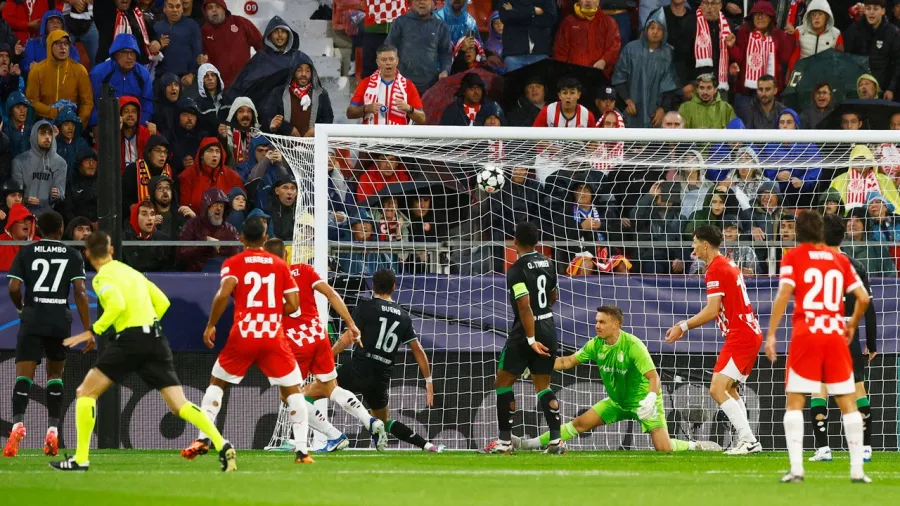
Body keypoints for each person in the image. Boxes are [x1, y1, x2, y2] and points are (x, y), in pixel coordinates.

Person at [49, 231, 234, 472]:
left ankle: (81, 458)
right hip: (155, 339)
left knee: (86, 392)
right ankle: (222, 443)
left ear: (87, 254)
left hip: (130, 340)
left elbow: (116, 304)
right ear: (111, 250)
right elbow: (163, 302)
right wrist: (148, 323)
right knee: (180, 405)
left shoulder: (102, 277)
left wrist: (93, 330)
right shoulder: (131, 272)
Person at [184, 217, 314, 464]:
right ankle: (302, 451)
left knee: (217, 382)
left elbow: (223, 294)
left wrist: (211, 325)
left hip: (243, 333)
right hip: (272, 335)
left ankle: (203, 438)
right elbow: (294, 305)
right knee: (293, 391)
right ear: (265, 240)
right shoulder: (279, 264)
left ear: (241, 238)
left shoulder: (234, 262)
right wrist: (273, 309)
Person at [515, 306, 721, 453]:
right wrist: (537, 364)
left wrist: (651, 398)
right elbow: (567, 362)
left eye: (602, 322)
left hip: (643, 402)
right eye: (596, 321)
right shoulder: (596, 344)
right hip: (617, 402)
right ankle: (529, 444)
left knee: (664, 449)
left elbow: (654, 378)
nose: (597, 325)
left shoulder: (633, 345)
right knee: (579, 423)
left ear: (615, 324)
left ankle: (696, 445)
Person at [764, 211, 871, 483]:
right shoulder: (840, 260)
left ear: (799, 233)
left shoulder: (794, 257)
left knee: (795, 402)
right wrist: (852, 324)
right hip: (835, 335)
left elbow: (783, 295)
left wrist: (772, 334)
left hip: (806, 335)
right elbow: (863, 299)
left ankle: (797, 469)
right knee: (848, 402)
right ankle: (858, 471)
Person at [258, 239, 388, 453]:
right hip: (319, 337)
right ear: (287, 255)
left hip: (295, 343)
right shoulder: (304, 271)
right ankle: (370, 421)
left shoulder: (267, 284)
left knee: (289, 396)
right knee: (330, 387)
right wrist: (350, 323)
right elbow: (331, 294)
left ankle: (332, 435)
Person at [665, 225, 763, 454]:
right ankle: (748, 440)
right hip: (747, 332)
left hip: (741, 335)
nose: (693, 248)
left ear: (705, 244)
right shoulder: (728, 263)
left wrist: (683, 326)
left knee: (717, 389)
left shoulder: (715, 269)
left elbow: (712, 310)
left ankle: (748, 441)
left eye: (695, 243)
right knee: (730, 389)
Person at [3, 211, 90, 458]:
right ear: (61, 229)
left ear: (38, 229)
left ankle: (18, 424)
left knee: (24, 376)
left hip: (33, 317)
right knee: (55, 374)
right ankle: (52, 429)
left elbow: (13, 287)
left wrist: (21, 307)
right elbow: (81, 293)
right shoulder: (72, 254)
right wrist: (86, 329)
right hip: (58, 321)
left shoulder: (27, 252)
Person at [330, 268, 444, 452]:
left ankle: (329, 436)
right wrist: (428, 380)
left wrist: (327, 356)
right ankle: (427, 445)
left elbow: (347, 338)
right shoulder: (404, 316)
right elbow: (418, 350)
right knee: (383, 421)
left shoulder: (366, 307)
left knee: (315, 390)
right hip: (380, 377)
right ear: (394, 287)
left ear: (373, 286)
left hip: (358, 367)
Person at [479, 221, 561, 454]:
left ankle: (505, 443)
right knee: (543, 385)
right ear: (536, 241)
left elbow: (524, 307)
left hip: (527, 330)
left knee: (503, 382)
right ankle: (556, 441)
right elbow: (553, 296)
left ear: (514, 241)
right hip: (548, 324)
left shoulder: (516, 269)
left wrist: (530, 338)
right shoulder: (549, 263)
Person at [806, 214, 879, 464]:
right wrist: (872, 342)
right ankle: (865, 448)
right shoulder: (855, 266)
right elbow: (867, 306)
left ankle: (823, 448)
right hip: (849, 336)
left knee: (819, 389)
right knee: (858, 389)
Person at [611, 10, 680, 128]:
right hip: (632, 111)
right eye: (652, 27)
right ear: (646, 29)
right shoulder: (631, 49)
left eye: (659, 29)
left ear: (664, 32)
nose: (655, 32)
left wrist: (663, 109)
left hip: (656, 114)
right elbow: (619, 77)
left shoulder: (669, 53)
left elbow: (671, 85)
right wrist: (626, 100)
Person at [224, 16, 305, 109]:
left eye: (283, 32)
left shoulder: (299, 57)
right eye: (275, 32)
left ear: (288, 34)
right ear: (269, 35)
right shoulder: (260, 58)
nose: (279, 35)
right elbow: (243, 83)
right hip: (264, 109)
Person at [24, 29, 92, 125]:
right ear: (50, 46)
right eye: (58, 43)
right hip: (43, 125)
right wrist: (54, 112)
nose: (63, 47)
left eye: (66, 43)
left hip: (71, 124)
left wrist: (78, 124)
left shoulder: (80, 70)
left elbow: (87, 103)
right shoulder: (37, 71)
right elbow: (32, 101)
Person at [347, 44, 426, 126]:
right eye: (384, 60)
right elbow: (350, 113)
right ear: (378, 62)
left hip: (399, 137)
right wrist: (366, 108)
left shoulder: (408, 85)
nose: (388, 63)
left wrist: (409, 109)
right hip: (371, 136)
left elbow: (422, 118)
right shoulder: (366, 83)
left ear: (397, 61)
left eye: (391, 59)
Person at [384, 0, 452, 93]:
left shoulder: (441, 26)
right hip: (402, 85)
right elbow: (388, 49)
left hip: (430, 86)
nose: (421, 2)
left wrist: (445, 71)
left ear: (433, 3)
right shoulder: (400, 22)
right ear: (410, 3)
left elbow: (446, 54)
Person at [88, 34, 154, 127]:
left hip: (134, 123)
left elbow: (147, 102)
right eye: (125, 52)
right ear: (115, 54)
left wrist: (141, 125)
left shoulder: (143, 74)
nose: (130, 57)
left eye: (133, 53)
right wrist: (96, 124)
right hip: (105, 123)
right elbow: (91, 102)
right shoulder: (98, 73)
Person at [260, 55, 333, 138]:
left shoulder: (321, 94)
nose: (304, 74)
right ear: (293, 72)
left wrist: (316, 129)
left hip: (312, 146)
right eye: (299, 70)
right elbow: (267, 118)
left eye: (308, 71)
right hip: (284, 146)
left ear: (312, 73)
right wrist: (288, 129)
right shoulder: (279, 93)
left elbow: (328, 118)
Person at [844, 0, 900, 102]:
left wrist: (891, 89)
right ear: (864, 10)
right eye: (868, 8)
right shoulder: (857, 29)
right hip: (859, 91)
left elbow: (898, 63)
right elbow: (848, 56)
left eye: (875, 9)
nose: (871, 12)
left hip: (883, 92)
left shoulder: (893, 33)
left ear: (883, 11)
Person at [199, 0, 263, 89]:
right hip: (221, 87)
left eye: (218, 7)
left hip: (246, 83)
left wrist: (257, 70)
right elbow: (203, 60)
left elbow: (261, 46)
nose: (214, 10)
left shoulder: (240, 22)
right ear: (205, 12)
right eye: (210, 8)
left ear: (224, 9)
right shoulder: (203, 32)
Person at [12, 121, 68, 216]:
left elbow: (61, 192)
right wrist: (25, 199)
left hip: (48, 214)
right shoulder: (19, 161)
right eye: (42, 133)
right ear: (34, 135)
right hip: (24, 212)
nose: (47, 137)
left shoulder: (61, 163)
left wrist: (57, 194)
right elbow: (15, 192)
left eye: (50, 133)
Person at [177, 187, 240, 272]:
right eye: (215, 205)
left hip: (221, 274)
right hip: (195, 275)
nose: (219, 208)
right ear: (206, 207)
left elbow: (237, 258)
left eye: (222, 206)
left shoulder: (230, 230)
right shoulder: (192, 224)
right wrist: (204, 242)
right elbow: (181, 253)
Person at [554, 0, 620, 78]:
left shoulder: (608, 22)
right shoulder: (568, 22)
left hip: (600, 76)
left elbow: (614, 47)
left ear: (598, 1)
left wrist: (604, 60)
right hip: (573, 77)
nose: (588, 1)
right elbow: (560, 51)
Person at [178, 137, 244, 214]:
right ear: (201, 155)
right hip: (195, 222)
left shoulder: (232, 177)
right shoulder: (187, 176)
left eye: (217, 151)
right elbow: (184, 207)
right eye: (210, 151)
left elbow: (241, 206)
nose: (214, 155)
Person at [499, 0, 557, 72]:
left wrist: (516, 12)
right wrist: (533, 11)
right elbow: (505, 16)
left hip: (540, 53)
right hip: (513, 55)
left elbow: (550, 18)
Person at [788, 0, 844, 75]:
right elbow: (794, 58)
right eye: (813, 14)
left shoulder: (836, 34)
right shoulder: (799, 32)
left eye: (820, 14)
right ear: (808, 16)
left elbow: (839, 61)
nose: (816, 17)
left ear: (827, 16)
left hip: (825, 79)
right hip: (802, 76)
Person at [153, 0, 202, 82]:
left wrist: (192, 74)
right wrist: (158, 45)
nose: (175, 10)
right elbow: (150, 54)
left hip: (185, 78)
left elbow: (197, 53)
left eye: (178, 6)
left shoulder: (192, 26)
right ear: (164, 9)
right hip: (161, 77)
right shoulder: (156, 27)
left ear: (182, 9)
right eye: (171, 6)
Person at [123, 201, 172, 272]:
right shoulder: (124, 240)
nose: (150, 218)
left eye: (152, 214)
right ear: (135, 217)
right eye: (144, 214)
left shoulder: (164, 240)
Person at [60, 147, 99, 224]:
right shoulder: (70, 182)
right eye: (87, 160)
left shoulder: (103, 182)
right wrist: (84, 226)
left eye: (94, 160)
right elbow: (66, 210)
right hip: (77, 227)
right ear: (79, 164)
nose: (91, 164)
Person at [0, 203, 36, 270]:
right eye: (22, 220)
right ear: (11, 225)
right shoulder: (1, 242)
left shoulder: (38, 243)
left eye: (29, 220)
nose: (26, 223)